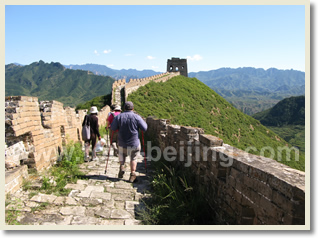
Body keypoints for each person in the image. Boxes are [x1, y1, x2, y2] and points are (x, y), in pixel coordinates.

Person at [110, 101, 147, 183]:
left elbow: (112, 128)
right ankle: (132, 174)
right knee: (133, 158)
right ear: (133, 108)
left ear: (124, 108)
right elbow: (144, 128)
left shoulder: (118, 117)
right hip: (134, 143)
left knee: (122, 155)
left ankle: (122, 166)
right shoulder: (137, 117)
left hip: (122, 142)